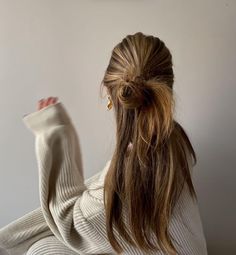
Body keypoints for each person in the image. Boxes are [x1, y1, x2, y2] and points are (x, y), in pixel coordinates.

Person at [0, 32, 208, 255]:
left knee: (42, 250)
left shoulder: (124, 180)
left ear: (110, 94)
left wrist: (56, 134)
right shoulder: (176, 142)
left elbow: (69, 222)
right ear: (168, 87)